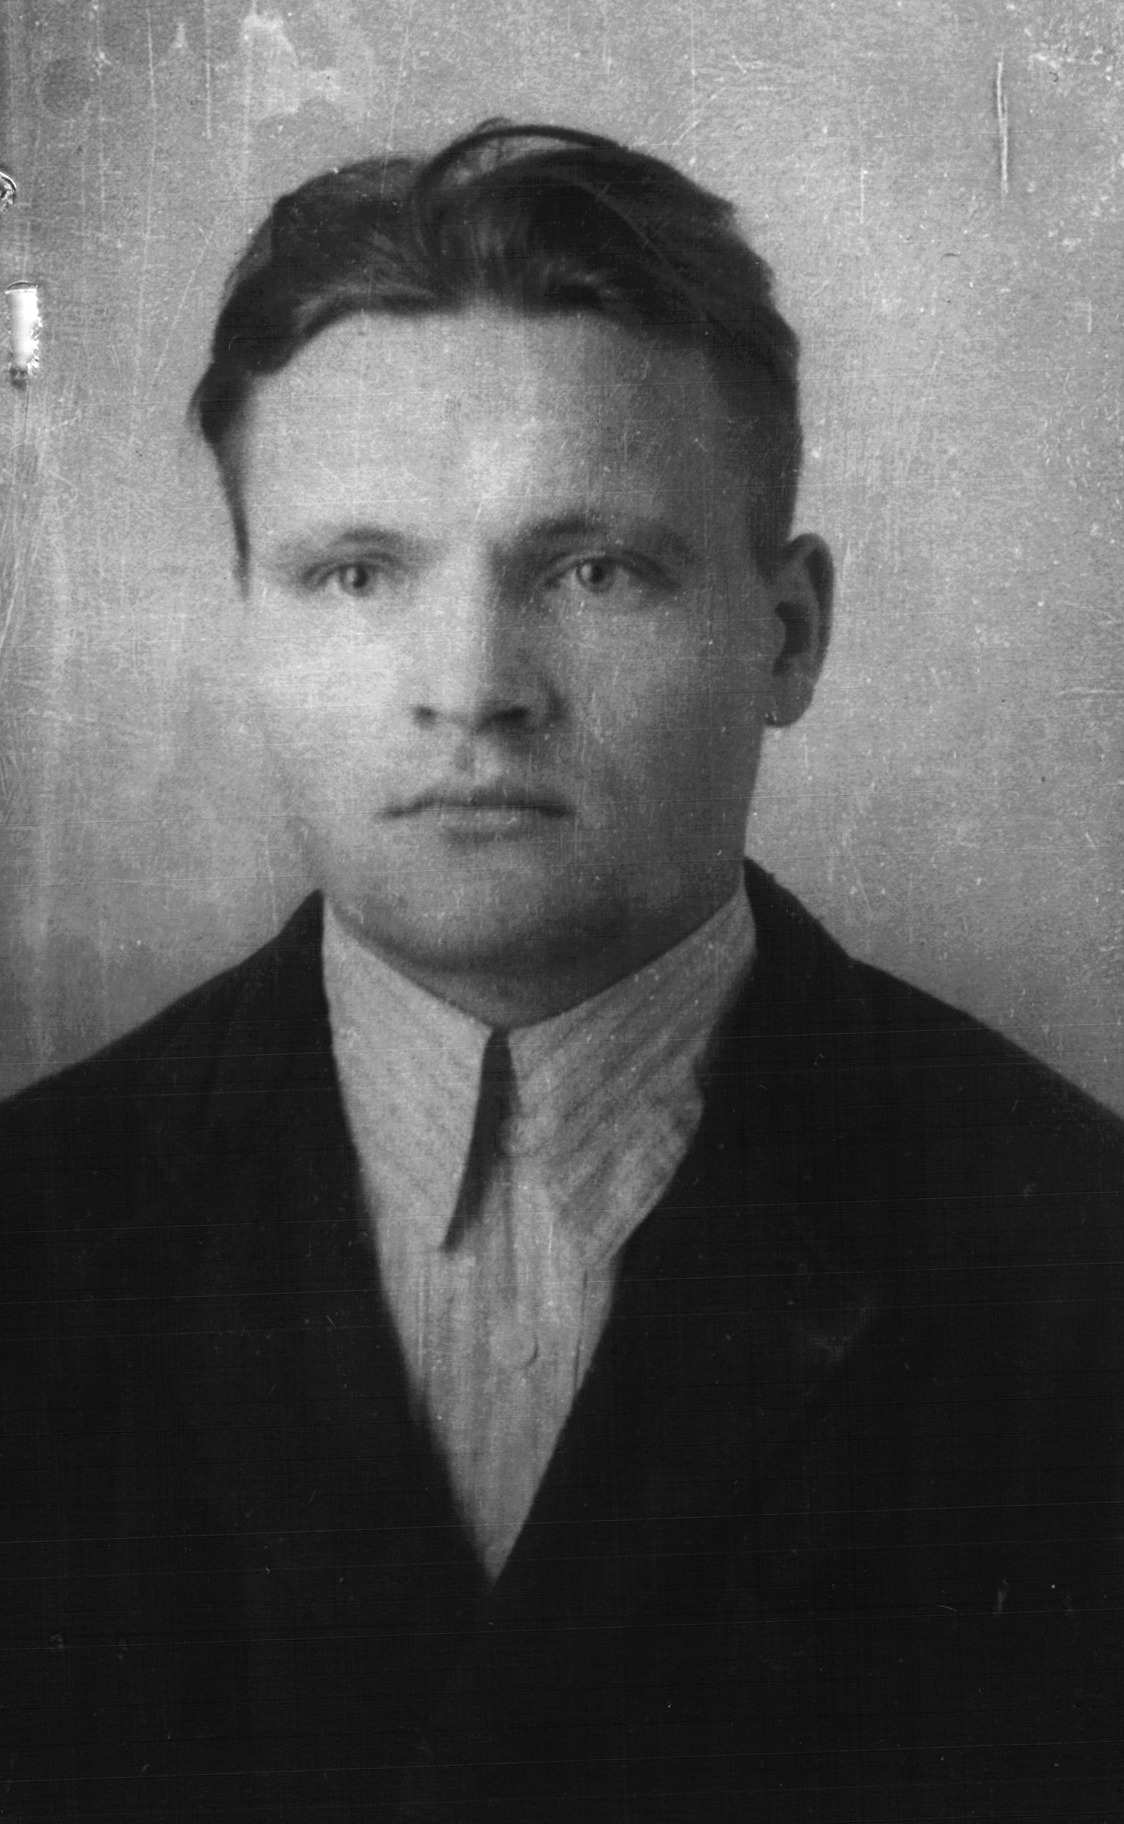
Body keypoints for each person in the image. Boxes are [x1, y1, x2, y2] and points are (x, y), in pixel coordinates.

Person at [2, 121, 1121, 1823]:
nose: (472, 688)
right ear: (249, 624)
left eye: (593, 568)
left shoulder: (1078, 1261)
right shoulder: (30, 1231)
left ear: (789, 635)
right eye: (356, 573)